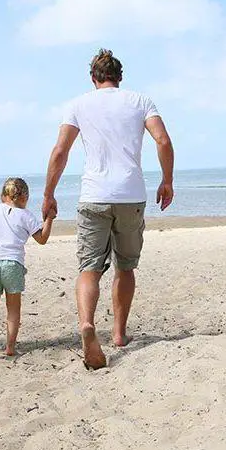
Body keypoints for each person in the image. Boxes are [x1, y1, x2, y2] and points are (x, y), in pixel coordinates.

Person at [42, 49, 175, 369]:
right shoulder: (141, 101)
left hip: (94, 195)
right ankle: (118, 333)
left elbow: (60, 151)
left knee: (89, 268)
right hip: (130, 195)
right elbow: (163, 141)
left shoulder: (78, 104)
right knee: (125, 267)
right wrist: (167, 181)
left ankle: (87, 324)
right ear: (120, 77)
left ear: (93, 79)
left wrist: (49, 193)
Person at [0, 178, 54, 356]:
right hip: (12, 263)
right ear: (25, 197)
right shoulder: (26, 215)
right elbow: (42, 239)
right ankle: (10, 347)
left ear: (3, 196)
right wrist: (49, 218)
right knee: (13, 309)